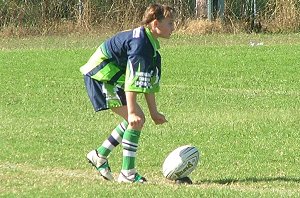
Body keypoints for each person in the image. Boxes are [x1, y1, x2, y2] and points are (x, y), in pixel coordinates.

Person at [80, 3, 175, 183]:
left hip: (112, 78)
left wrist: (154, 112)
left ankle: (100, 155)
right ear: (156, 24)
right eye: (170, 23)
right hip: (100, 77)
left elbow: (147, 83)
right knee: (136, 118)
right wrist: (132, 112)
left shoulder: (151, 46)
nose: (174, 28)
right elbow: (132, 80)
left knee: (137, 119)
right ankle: (127, 173)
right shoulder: (141, 44)